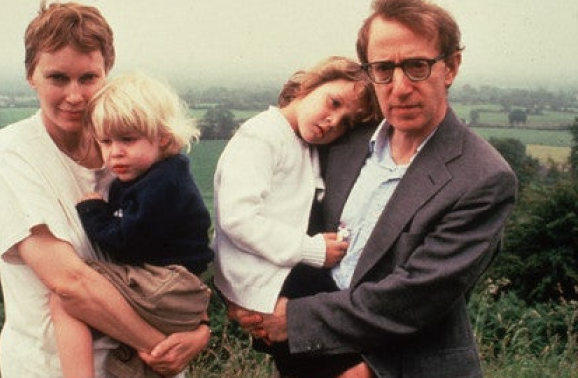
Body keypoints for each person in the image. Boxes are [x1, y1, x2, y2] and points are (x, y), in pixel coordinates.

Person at [228, 0, 518, 377]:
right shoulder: (342, 143)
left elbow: (417, 297)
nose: (399, 88)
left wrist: (292, 320)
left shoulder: (483, 177)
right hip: (310, 361)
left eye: (417, 66)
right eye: (383, 69)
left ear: (452, 67)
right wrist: (244, 299)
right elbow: (272, 218)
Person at [0, 3, 210, 377]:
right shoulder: (12, 152)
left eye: (88, 78)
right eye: (57, 78)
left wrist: (200, 331)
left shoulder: (128, 150)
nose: (74, 96)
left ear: (107, 75)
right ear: (31, 77)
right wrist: (162, 346)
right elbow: (70, 284)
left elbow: (176, 252)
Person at [212, 56, 380, 375]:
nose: (333, 121)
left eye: (346, 122)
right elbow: (238, 219)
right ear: (308, 85)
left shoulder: (302, 144)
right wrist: (313, 249)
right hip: (270, 282)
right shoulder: (261, 136)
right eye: (333, 102)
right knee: (354, 358)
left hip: (282, 274)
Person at [49, 72, 214, 378]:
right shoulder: (156, 174)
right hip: (179, 290)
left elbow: (127, 242)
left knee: (68, 295)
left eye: (127, 139)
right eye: (106, 141)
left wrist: (93, 211)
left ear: (163, 138)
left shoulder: (163, 184)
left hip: (169, 285)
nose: (115, 152)